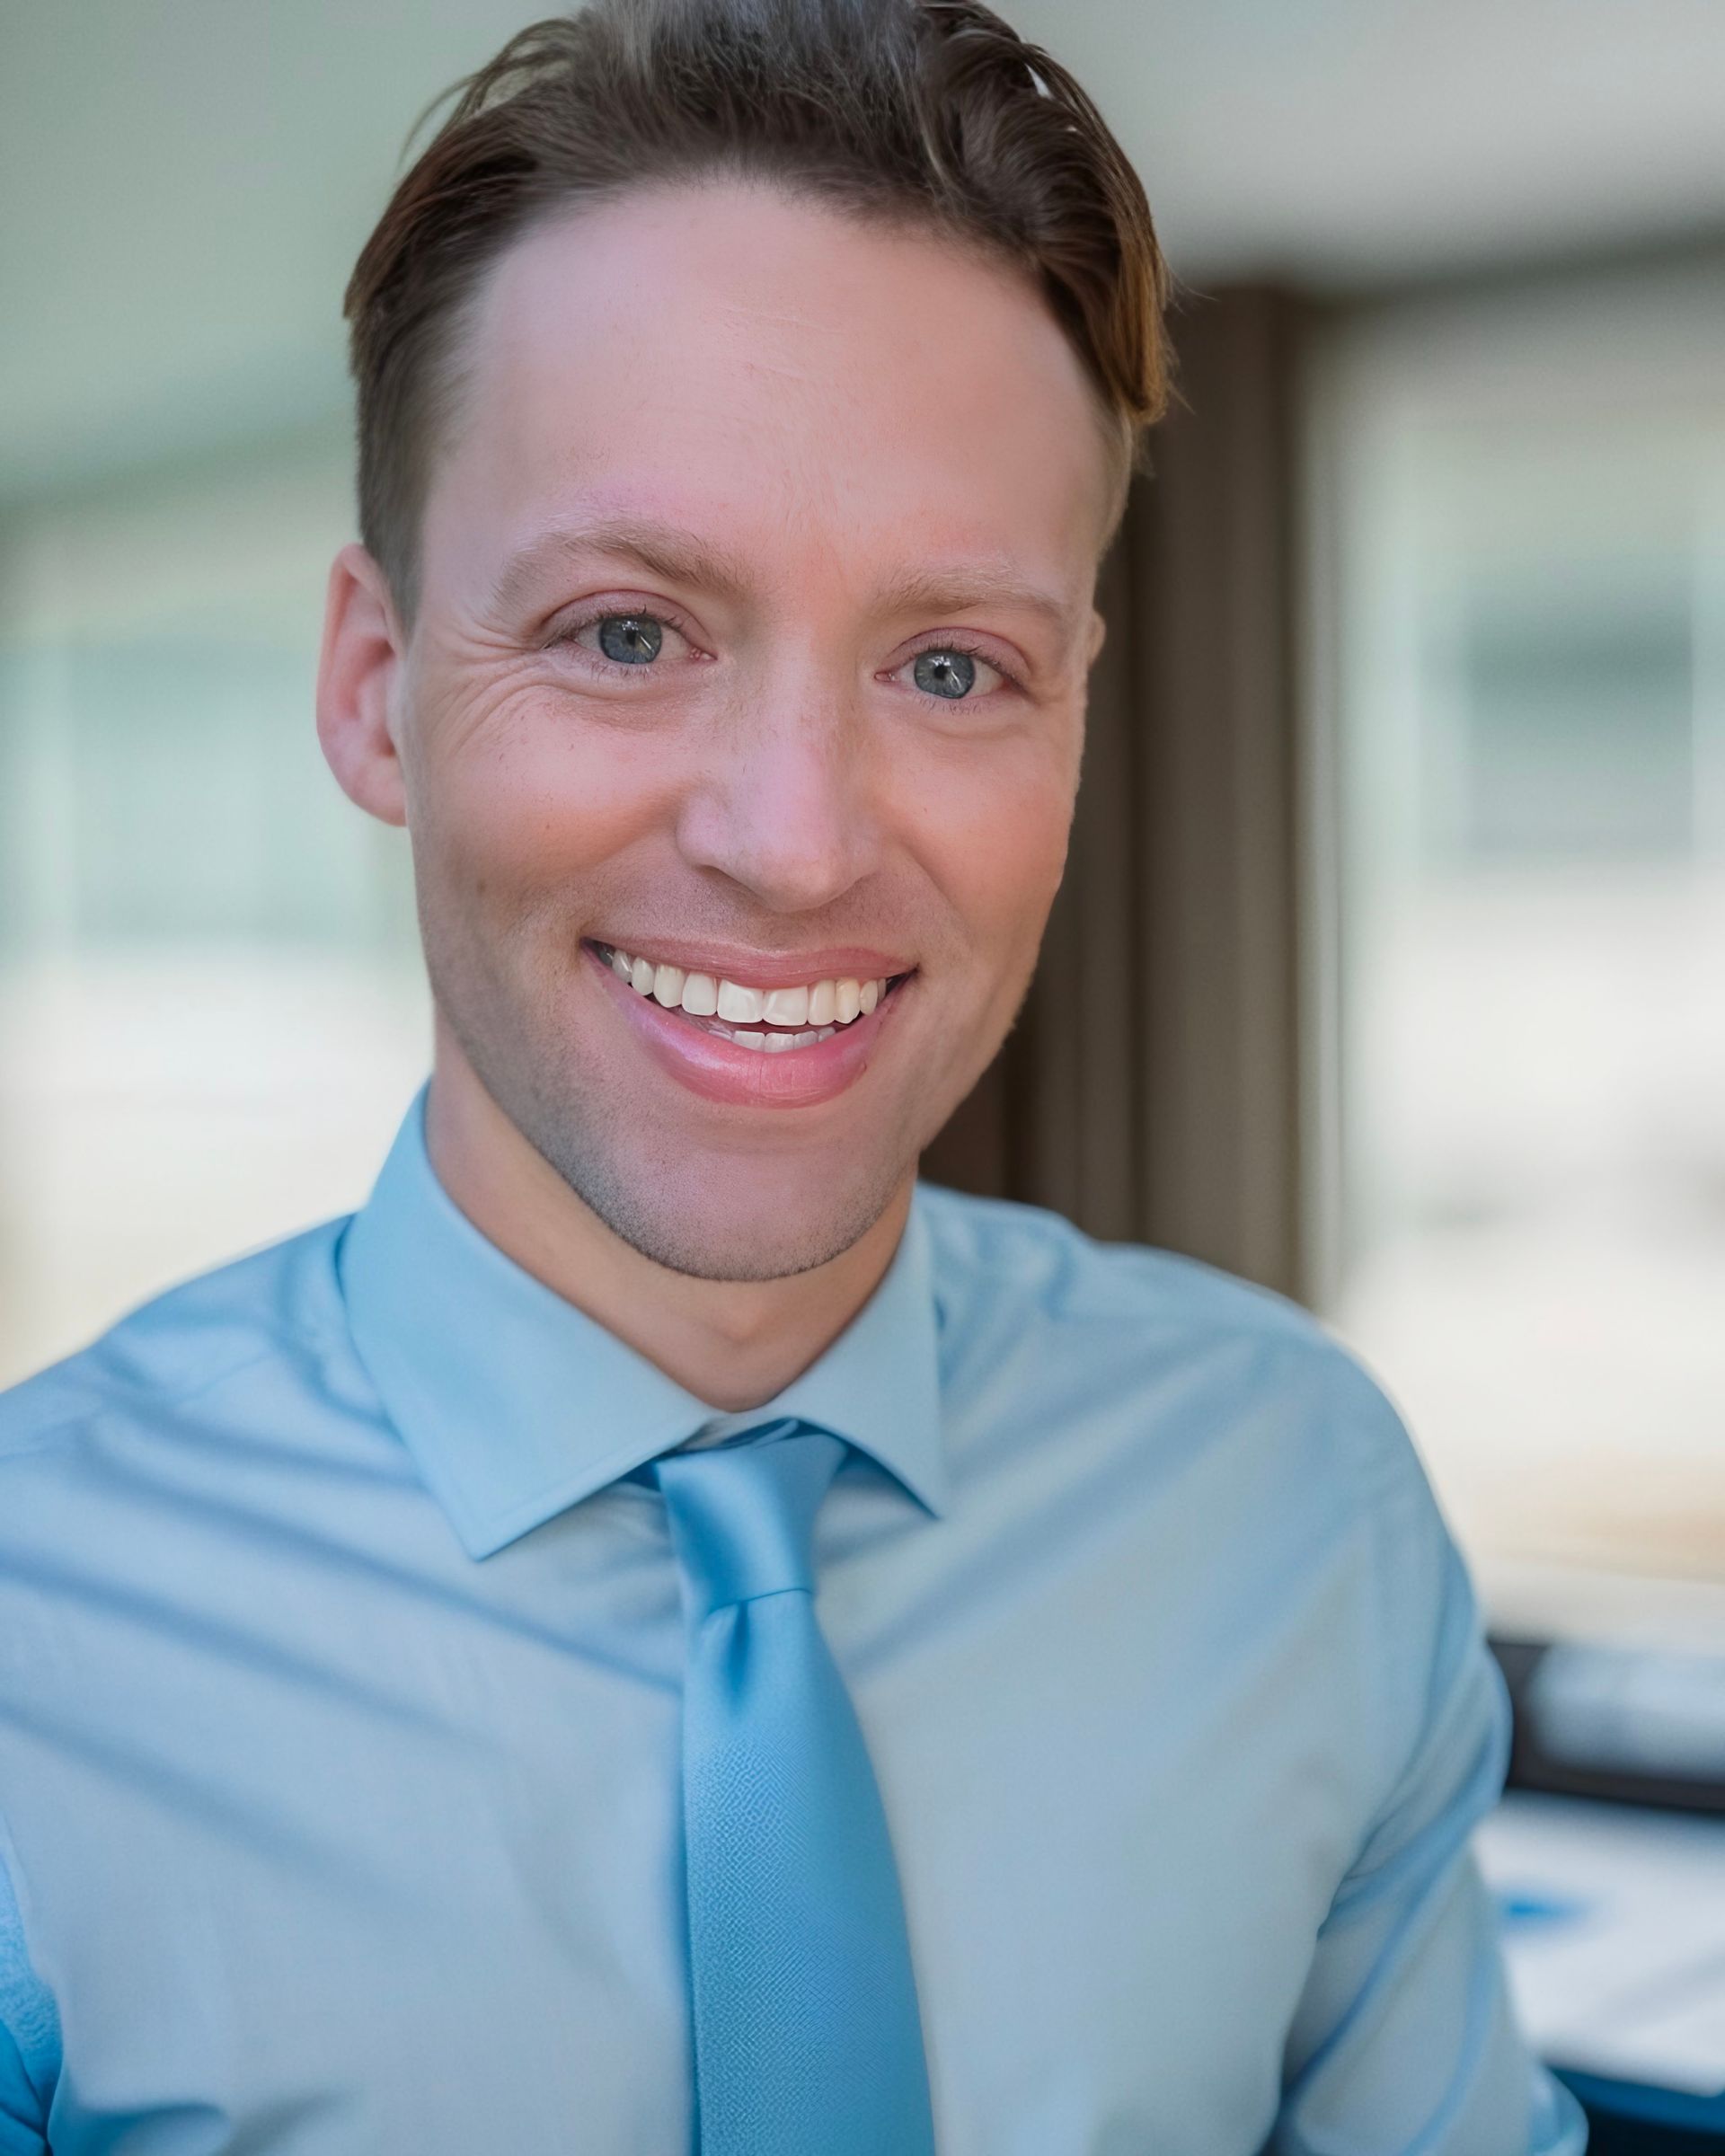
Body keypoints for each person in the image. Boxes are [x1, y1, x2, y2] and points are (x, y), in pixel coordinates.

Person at [0, 1, 1588, 2149]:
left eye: (953, 667)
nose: (798, 838)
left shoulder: (1296, 1502)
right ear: (378, 697)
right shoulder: (36, 1646)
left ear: (1077, 720)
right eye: (628, 634)